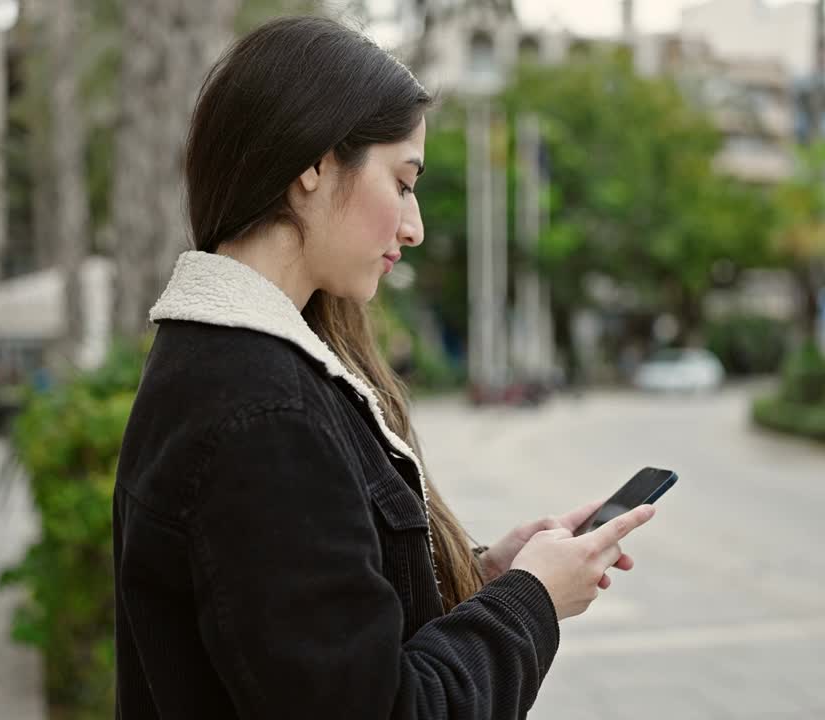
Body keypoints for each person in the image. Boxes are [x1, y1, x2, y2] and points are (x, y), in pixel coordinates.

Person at [112, 17, 658, 719]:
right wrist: (533, 602)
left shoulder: (238, 368)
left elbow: (316, 637)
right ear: (312, 163)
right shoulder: (264, 416)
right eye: (402, 182)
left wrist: (487, 576)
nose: (415, 225)